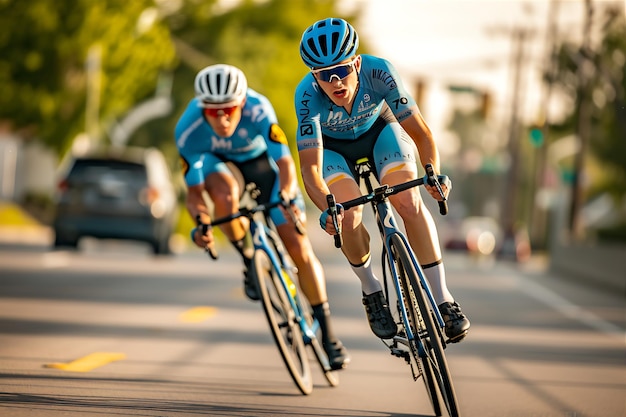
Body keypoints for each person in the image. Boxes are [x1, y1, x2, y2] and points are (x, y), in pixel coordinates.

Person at [294, 18, 470, 343]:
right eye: (323, 75)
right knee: (348, 214)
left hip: (381, 133)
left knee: (408, 200)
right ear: (314, 76)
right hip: (334, 151)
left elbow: (421, 133)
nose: (335, 81)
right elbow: (311, 170)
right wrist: (327, 208)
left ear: (357, 63)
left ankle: (443, 299)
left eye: (342, 70)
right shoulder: (306, 97)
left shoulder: (380, 72)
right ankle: (371, 289)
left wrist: (431, 171)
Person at [175, 64, 350, 368]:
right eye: (213, 112)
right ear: (202, 108)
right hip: (222, 167)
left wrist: (286, 197)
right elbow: (194, 195)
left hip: (263, 167)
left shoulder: (259, 110)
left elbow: (284, 164)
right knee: (224, 194)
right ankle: (248, 259)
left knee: (298, 248)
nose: (222, 118)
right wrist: (201, 222)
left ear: (241, 103)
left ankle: (329, 335)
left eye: (228, 109)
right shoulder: (187, 130)